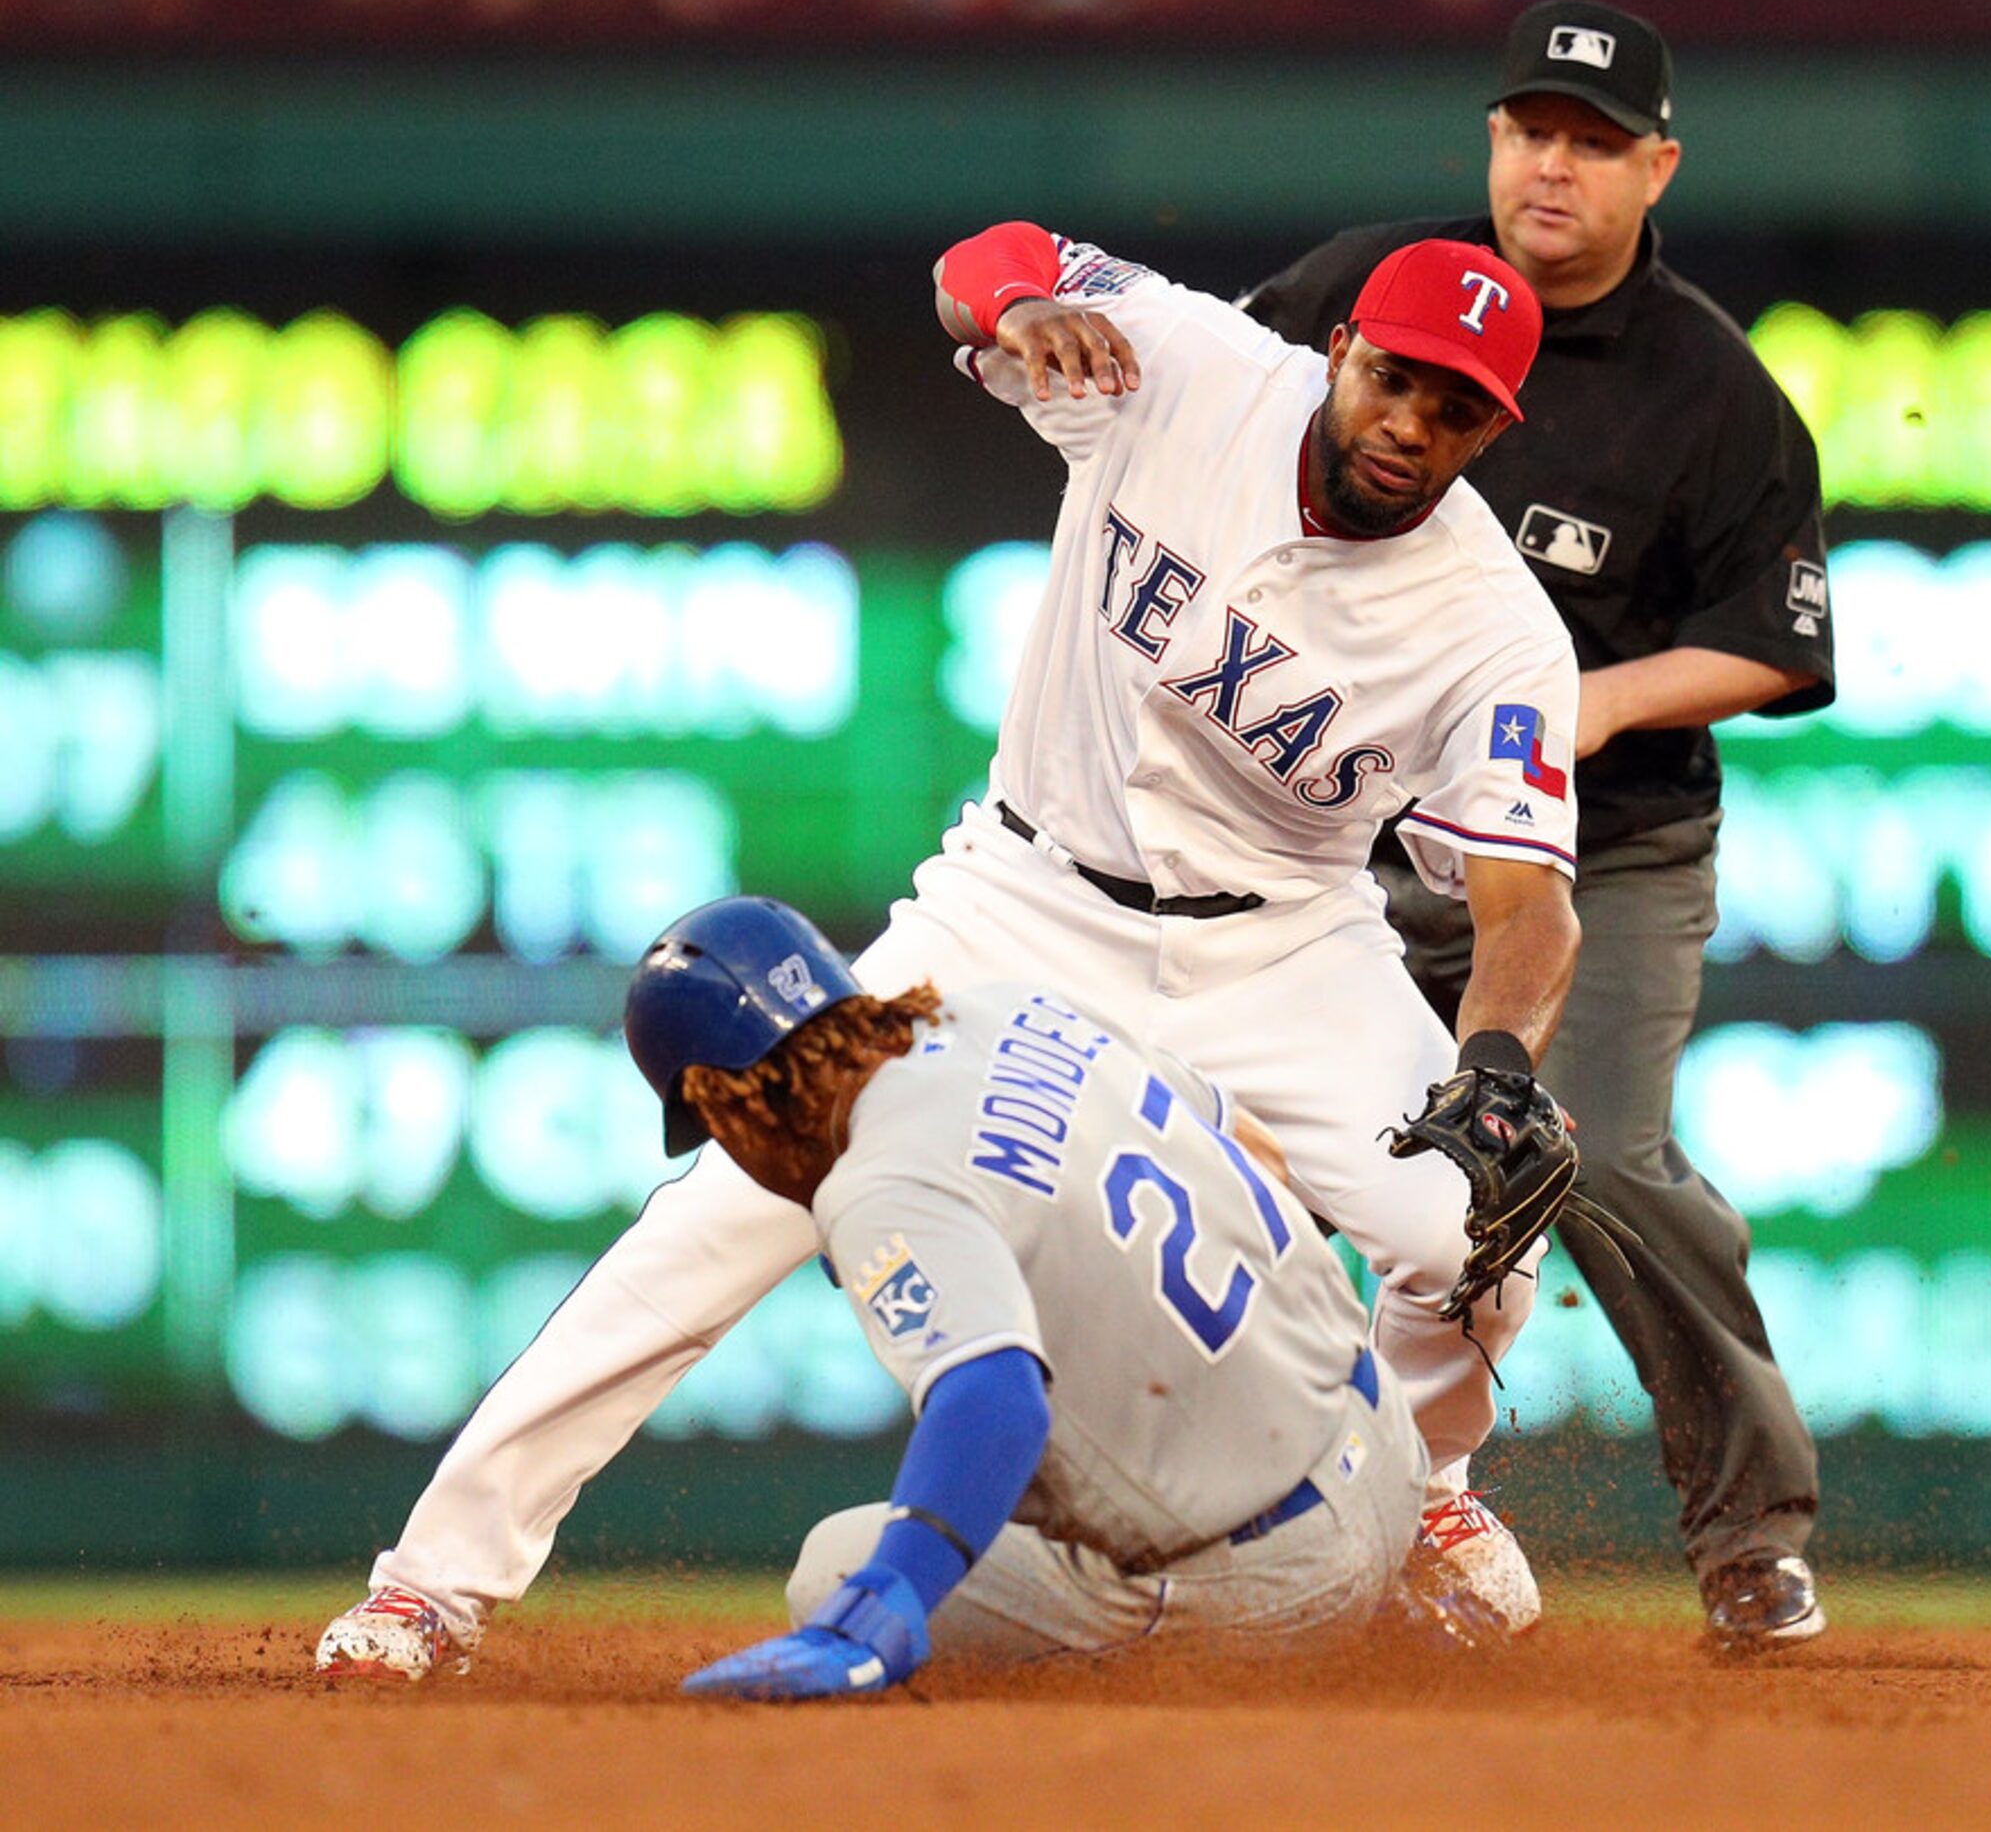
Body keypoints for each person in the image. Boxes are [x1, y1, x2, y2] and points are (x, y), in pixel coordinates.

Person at [311, 224, 1584, 1679]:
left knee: (1471, 1217)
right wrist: (1023, 302)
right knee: (724, 1211)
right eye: (1398, 380)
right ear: (1343, 346)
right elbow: (985, 254)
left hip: (1283, 944)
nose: (1415, 424)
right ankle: (432, 1583)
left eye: (1459, 408)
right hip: (1020, 899)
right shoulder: (1192, 363)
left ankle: (1420, 1482)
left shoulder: (1494, 626)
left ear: (1493, 426)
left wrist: (1492, 1057)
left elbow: (1524, 903)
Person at [1240, 0, 1839, 1649]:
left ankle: (1748, 1535)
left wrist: (1597, 697)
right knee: (1232, 1150)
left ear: (1655, 165)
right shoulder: (1367, 290)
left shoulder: (1704, 387)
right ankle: (1306, 1508)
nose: (1550, 165)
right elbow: (1211, 441)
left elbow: (1782, 638)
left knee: (1589, 1154)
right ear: (1489, 141)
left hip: (1604, 842)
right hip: (1348, 834)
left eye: (1589, 141)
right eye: (1527, 130)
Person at [318, 896, 1431, 1689]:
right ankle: (1420, 1555)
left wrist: (889, 1602)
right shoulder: (1018, 1013)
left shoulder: (879, 1179)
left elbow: (994, 1401)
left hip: (1277, 1589)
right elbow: (1260, 1161)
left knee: (836, 1569)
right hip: (1390, 1457)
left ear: (721, 1096)